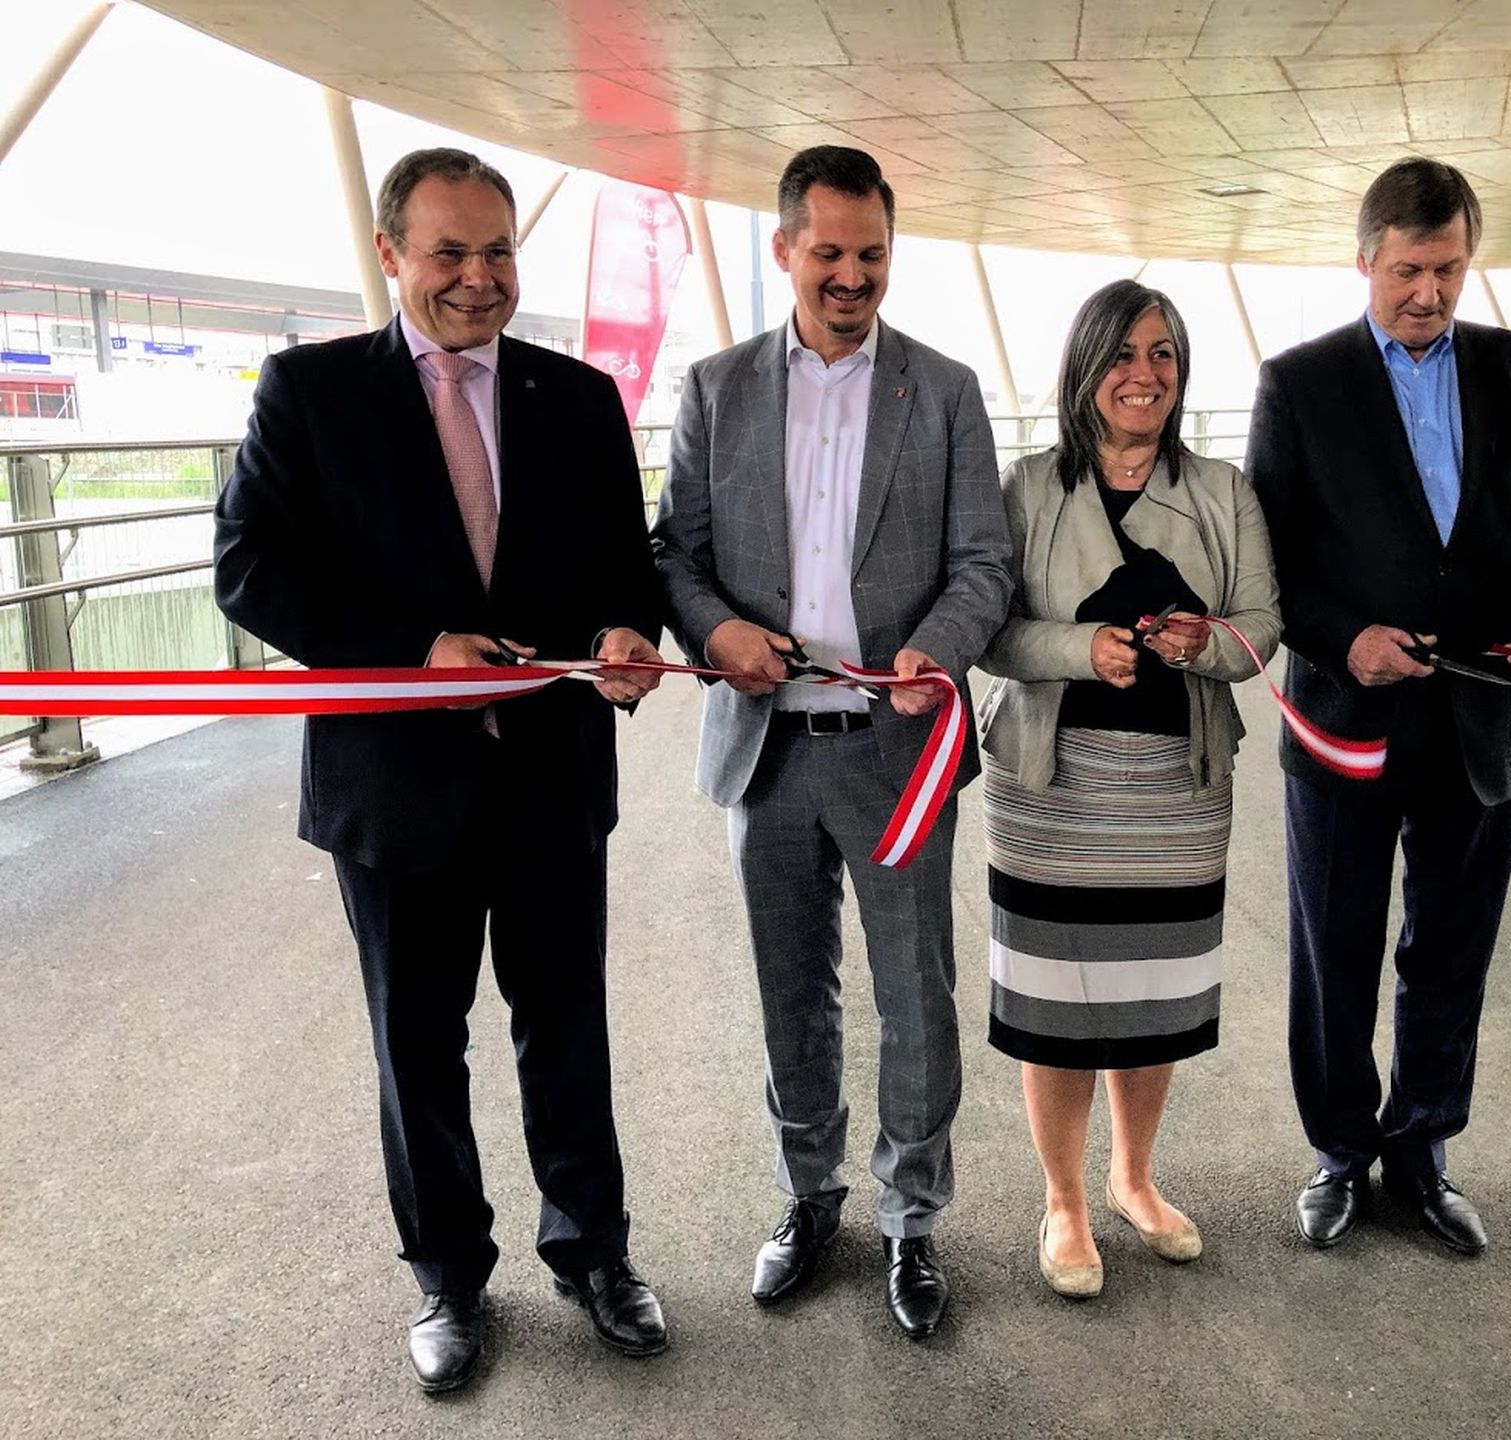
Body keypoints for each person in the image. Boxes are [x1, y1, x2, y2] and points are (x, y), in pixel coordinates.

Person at [213, 148, 670, 1392]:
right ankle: (448, 1280)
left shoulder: (579, 397)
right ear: (390, 256)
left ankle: (594, 1253)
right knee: (419, 1046)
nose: (480, 280)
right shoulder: (310, 393)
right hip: (394, 788)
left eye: (500, 252)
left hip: (551, 779)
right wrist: (416, 650)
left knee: (566, 1030)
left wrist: (630, 639)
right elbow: (250, 570)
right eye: (450, 253)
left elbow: (627, 575)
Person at [652, 146, 1012, 1339]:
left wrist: (940, 652)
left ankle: (914, 1221)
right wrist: (716, 628)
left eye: (870, 255)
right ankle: (810, 1197)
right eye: (829, 253)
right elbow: (676, 556)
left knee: (918, 996)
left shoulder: (946, 390)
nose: (851, 276)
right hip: (767, 750)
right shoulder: (715, 390)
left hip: (896, 749)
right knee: (788, 994)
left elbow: (983, 566)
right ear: (784, 251)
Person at [1244, 157, 1511, 1257]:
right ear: (1365, 261)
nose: (1428, 292)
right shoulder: (1299, 383)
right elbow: (1269, 558)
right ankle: (1339, 1156)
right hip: (1343, 720)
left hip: (1483, 718)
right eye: (1408, 270)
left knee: (1452, 949)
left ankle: (1422, 1153)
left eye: (1448, 269)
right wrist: (1338, 637)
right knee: (1337, 946)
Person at [978, 280, 1281, 1298]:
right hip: (1051, 784)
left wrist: (1208, 643)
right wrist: (1077, 646)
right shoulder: (1025, 490)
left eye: (1163, 355)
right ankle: (1063, 1201)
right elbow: (989, 630)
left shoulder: (1224, 491)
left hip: (1176, 786)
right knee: (1056, 999)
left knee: (1153, 992)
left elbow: (1261, 627)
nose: (1144, 375)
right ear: (1084, 369)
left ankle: (1135, 1182)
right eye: (1122, 355)